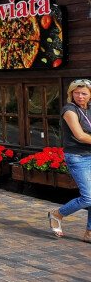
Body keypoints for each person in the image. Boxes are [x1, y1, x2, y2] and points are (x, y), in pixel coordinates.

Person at [48, 79, 91, 242]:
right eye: (76, 93)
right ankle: (57, 213)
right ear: (71, 94)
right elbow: (80, 135)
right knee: (88, 198)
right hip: (78, 157)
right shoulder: (69, 110)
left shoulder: (89, 109)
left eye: (84, 93)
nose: (80, 96)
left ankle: (89, 232)